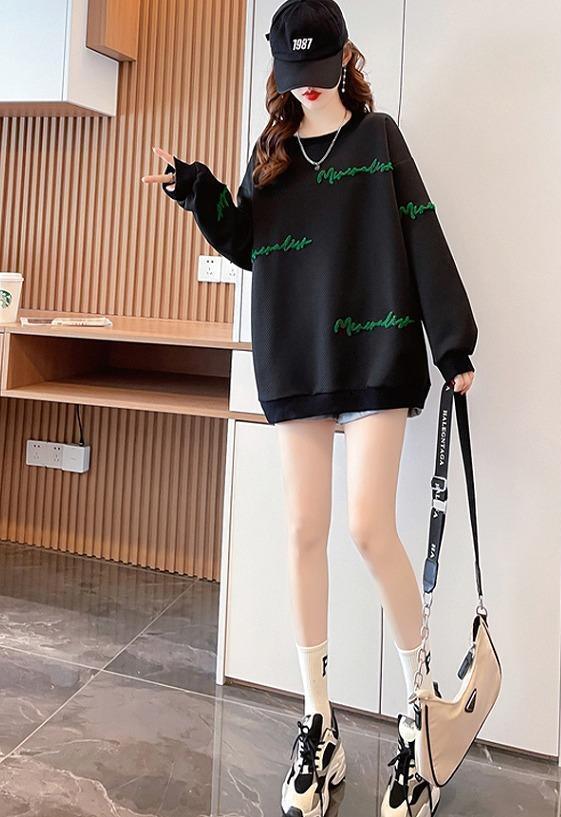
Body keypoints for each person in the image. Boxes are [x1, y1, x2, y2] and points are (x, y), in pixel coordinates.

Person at [142, 1, 477, 813]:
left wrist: (453, 344)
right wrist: (195, 189)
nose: (310, 89)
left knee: (367, 527)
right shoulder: (273, 151)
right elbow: (248, 244)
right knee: (301, 530)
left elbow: (422, 233)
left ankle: (421, 711)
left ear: (344, 60)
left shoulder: (379, 139)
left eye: (321, 73)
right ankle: (318, 722)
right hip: (297, 362)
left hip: (376, 357)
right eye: (296, 77)